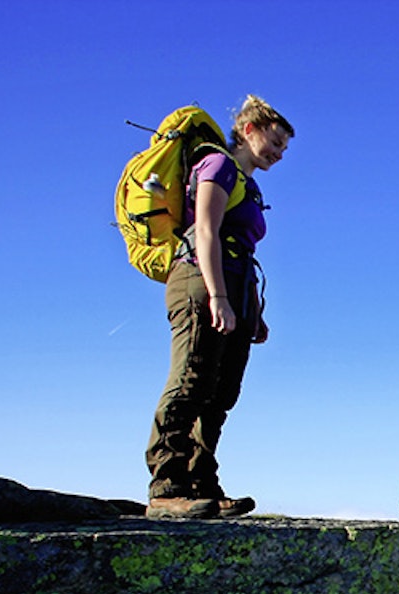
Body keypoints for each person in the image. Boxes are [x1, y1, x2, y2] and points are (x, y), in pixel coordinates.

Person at [144, 95, 294, 519]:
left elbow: (240, 245)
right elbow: (206, 231)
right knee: (192, 381)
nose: (280, 153)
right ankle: (167, 486)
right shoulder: (218, 166)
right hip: (201, 280)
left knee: (221, 392)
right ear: (249, 130)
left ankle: (201, 484)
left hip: (235, 285)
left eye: (285, 148)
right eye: (276, 142)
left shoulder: (248, 183)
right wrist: (219, 297)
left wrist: (253, 312)